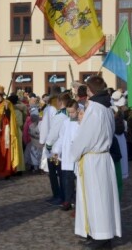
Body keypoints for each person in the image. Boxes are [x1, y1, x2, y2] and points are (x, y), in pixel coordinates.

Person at [70, 75, 121, 249]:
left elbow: (85, 137)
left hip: (93, 159)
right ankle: (94, 232)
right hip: (101, 157)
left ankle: (102, 235)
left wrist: (73, 154)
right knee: (96, 197)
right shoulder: (106, 108)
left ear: (90, 90)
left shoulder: (95, 109)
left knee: (97, 198)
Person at [52, 99, 80, 211]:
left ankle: (78, 203)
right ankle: (68, 200)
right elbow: (61, 137)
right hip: (67, 156)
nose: (71, 114)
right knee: (67, 180)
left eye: (73, 112)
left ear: (78, 110)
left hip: (78, 156)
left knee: (79, 181)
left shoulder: (82, 122)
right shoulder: (66, 123)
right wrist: (56, 150)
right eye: (69, 112)